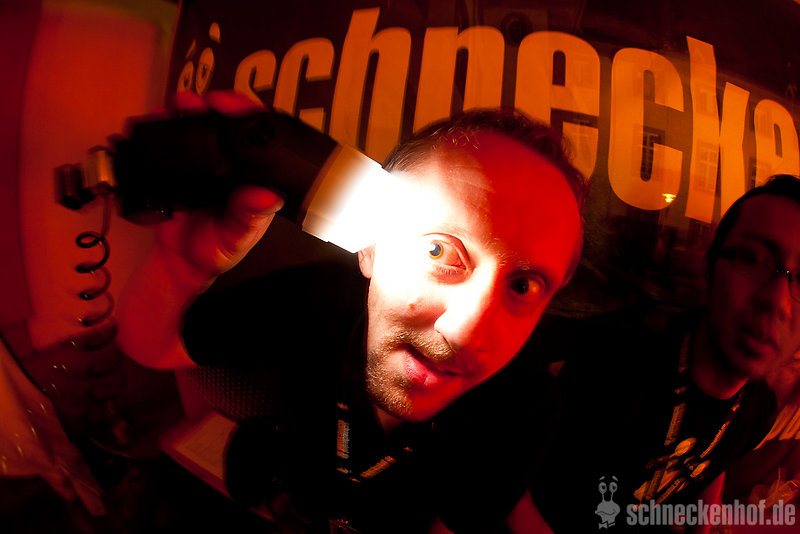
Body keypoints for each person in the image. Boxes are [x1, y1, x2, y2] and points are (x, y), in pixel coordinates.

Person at [115, 91, 589, 533]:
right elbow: (153, 346)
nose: (466, 332)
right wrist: (178, 268)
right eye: (439, 250)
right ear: (369, 247)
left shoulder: (526, 407)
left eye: (523, 285)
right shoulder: (318, 299)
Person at [527, 174, 800, 532]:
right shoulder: (615, 366)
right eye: (754, 259)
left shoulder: (758, 409)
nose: (778, 302)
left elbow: (711, 464)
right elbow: (508, 475)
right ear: (709, 266)